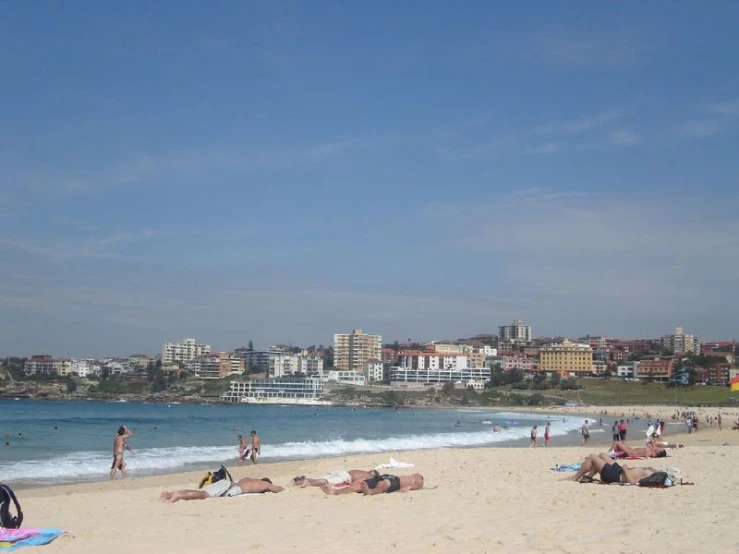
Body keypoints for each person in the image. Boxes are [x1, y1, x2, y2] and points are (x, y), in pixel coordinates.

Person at [159, 476, 284, 502]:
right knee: (204, 495)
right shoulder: (263, 484)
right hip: (232, 489)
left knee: (203, 492)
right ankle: (178, 496)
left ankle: (170, 493)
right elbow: (276, 488)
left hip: (227, 483)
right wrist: (285, 489)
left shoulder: (248, 478)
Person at [563, 453, 662, 484]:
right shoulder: (654, 473)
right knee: (602, 455)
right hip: (619, 470)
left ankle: (575, 477)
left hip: (616, 475)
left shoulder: (649, 477)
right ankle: (588, 477)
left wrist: (625, 469)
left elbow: (631, 482)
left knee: (592, 457)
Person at [321, 473, 424, 496]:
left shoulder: (417, 483)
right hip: (389, 476)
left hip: (394, 482)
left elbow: (407, 488)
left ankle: (370, 492)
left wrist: (400, 491)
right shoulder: (414, 476)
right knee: (362, 483)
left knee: (383, 484)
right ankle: (334, 491)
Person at [292, 469, 378, 488]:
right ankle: (308, 482)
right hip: (346, 476)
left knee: (320, 478)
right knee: (326, 481)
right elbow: (360, 481)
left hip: (342, 471)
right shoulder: (369, 476)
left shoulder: (361, 471)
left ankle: (302, 480)